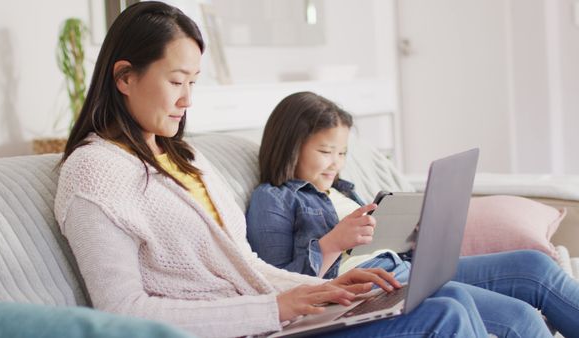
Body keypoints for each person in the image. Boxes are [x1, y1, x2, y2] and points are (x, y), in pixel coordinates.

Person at [54, 2, 494, 337]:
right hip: (254, 328)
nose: (188, 99)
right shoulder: (94, 172)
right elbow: (121, 311)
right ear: (125, 77)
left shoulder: (186, 157)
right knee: (445, 312)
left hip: (276, 319)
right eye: (175, 81)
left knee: (447, 294)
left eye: (193, 82)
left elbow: (245, 266)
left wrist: (324, 290)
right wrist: (279, 308)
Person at [246, 91, 579, 338]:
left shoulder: (342, 189)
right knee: (518, 318)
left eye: (342, 152)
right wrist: (332, 243)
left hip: (406, 268)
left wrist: (416, 235)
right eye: (325, 151)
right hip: (371, 284)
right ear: (290, 146)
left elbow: (375, 243)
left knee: (533, 266)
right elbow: (279, 283)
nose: (336, 162)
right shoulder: (273, 199)